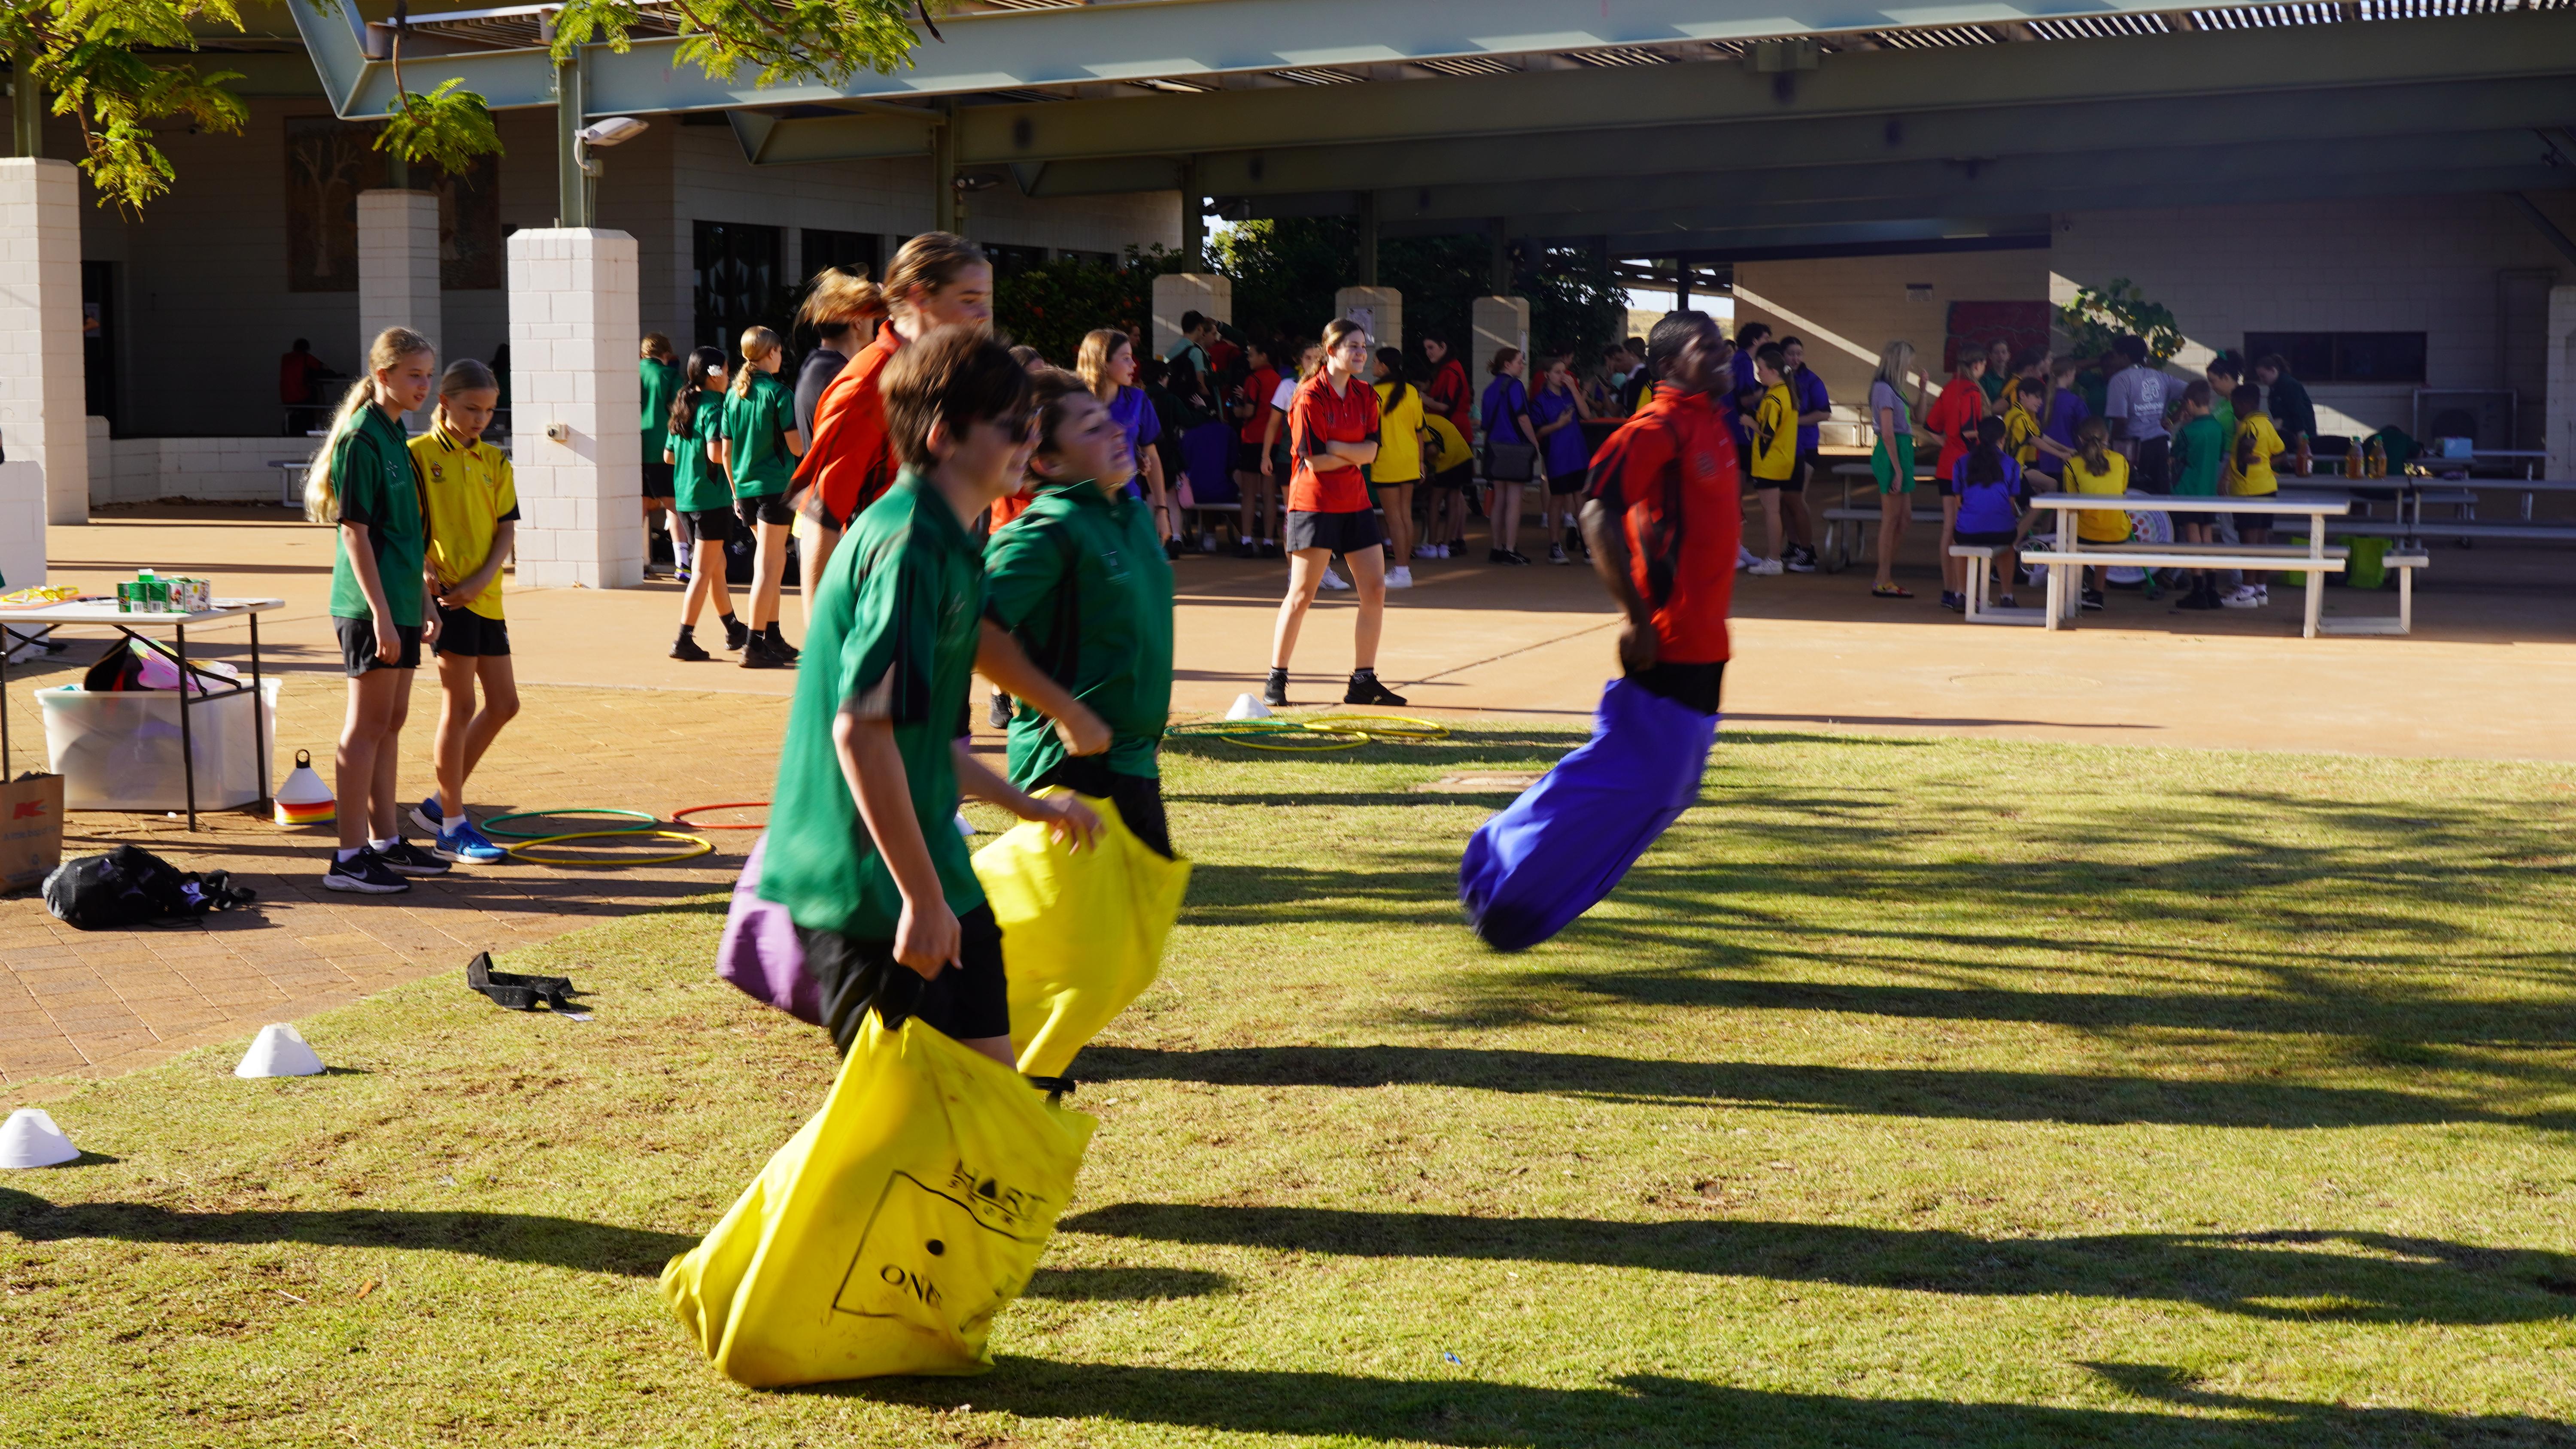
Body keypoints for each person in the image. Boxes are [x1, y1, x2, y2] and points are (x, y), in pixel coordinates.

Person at [759, 326, 1100, 1064]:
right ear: (945, 436)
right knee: (910, 1113)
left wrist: (1029, 806)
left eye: (1034, 424)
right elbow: (861, 732)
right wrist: (918, 897)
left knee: (988, 1091)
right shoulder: (910, 546)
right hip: (868, 887)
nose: (1030, 441)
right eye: (1013, 426)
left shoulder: (950, 539)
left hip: (930, 869)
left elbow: (925, 747)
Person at [980, 367, 1176, 858]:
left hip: (1132, 765)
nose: (1116, 431)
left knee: (1144, 905)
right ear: (1047, 461)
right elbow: (972, 632)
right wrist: (1067, 712)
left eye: (1107, 418)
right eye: (1090, 428)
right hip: (1070, 774)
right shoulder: (1046, 531)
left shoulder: (1131, 514)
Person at [309, 327, 447, 894]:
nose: (424, 385)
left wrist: (422, 600)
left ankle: (386, 841)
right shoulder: (361, 438)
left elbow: (407, 534)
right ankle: (347, 857)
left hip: (401, 603)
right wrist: (383, 616)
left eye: (429, 375)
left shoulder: (394, 432)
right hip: (369, 609)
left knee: (391, 722)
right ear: (383, 375)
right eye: (414, 375)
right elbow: (355, 534)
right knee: (365, 728)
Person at [796, 232, 994, 612]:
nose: (983, 314)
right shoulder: (866, 384)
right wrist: (823, 636)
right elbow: (821, 516)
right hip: (885, 604)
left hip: (946, 595)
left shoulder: (956, 370)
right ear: (920, 298)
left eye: (984, 300)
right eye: (969, 300)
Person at [1580, 309, 1743, 717]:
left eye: (1722, 344)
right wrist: (1638, 620)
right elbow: (1596, 514)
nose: (1723, 353)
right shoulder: (1656, 426)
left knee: (1681, 760)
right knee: (1640, 758)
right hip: (1668, 644)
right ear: (1670, 366)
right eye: (1707, 347)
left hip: (1708, 641)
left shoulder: (1714, 421)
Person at [406, 358, 520, 864]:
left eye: (490, 411)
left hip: (485, 597)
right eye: (472, 408)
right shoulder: (418, 455)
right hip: (449, 599)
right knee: (460, 705)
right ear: (444, 402)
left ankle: (438, 805)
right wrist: (426, 572)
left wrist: (483, 579)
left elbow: (506, 529)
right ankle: (452, 825)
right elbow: (407, 529)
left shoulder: (495, 460)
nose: (481, 419)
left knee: (505, 703)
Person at [1265, 318, 1405, 709]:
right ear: (1331, 352)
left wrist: (1337, 446)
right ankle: (1277, 677)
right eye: (1353, 347)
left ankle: (1363, 680)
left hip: (1355, 502)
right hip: (1314, 504)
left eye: (1364, 347)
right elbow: (1315, 461)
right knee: (1302, 594)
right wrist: (1351, 452)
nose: (1361, 353)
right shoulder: (1309, 395)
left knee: (1375, 589)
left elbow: (1371, 453)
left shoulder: (1366, 394)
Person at [717, 325, 805, 668]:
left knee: (772, 561)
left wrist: (735, 492)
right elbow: (797, 447)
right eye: (779, 351)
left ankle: (772, 637)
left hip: (745, 490)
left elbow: (726, 453)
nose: (782, 357)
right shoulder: (779, 394)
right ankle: (754, 645)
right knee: (769, 565)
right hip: (773, 488)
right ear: (771, 353)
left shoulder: (733, 396)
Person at [667, 346, 748, 661]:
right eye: (726, 371)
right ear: (714, 375)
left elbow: (669, 456)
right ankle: (684, 638)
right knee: (703, 570)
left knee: (716, 565)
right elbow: (716, 454)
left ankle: (733, 628)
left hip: (687, 499)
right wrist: (737, 458)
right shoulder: (715, 407)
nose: (729, 376)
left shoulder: (684, 406)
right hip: (711, 500)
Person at [1923, 352, 1990, 612]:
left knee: (1949, 529)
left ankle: (1950, 590)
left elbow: (1931, 427)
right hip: (1967, 467)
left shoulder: (1949, 388)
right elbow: (1969, 432)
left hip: (1947, 465)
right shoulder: (1972, 391)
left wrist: (1947, 444)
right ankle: (1964, 591)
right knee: (1966, 529)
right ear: (1978, 364)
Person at [793, 269, 885, 443]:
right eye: (871, 315)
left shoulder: (816, 366)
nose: (875, 321)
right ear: (858, 320)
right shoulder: (841, 376)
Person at [1951, 415, 2030, 609]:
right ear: (2003, 439)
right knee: (2007, 547)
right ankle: (2007, 596)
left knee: (1959, 541)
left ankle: (1961, 594)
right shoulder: (2012, 464)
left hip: (1967, 531)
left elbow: (1958, 501)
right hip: (2002, 531)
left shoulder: (1961, 463)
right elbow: (2011, 503)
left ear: (1978, 437)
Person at [2224, 382, 2288, 609]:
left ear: (2244, 404)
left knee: (2248, 540)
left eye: (2234, 405)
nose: (2233, 410)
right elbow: (2282, 453)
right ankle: (2261, 589)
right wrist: (2266, 464)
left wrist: (2246, 456)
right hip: (2268, 487)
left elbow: (2248, 443)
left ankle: (2246, 591)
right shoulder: (2267, 424)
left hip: (2248, 490)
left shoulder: (2249, 425)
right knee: (2262, 539)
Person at [2166, 381, 2228, 610]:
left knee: (2193, 536)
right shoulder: (2218, 428)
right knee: (2207, 536)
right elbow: (2220, 456)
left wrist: (2181, 425)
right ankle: (2212, 589)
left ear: (2190, 403)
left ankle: (2198, 589)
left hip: (2189, 489)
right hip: (2209, 489)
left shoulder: (2187, 431)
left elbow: (2175, 455)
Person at [1866, 341, 1920, 599]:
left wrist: (1923, 391)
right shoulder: (1883, 389)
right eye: (1908, 362)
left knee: (1904, 518)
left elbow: (1918, 419)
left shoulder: (1896, 390)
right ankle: (1883, 579)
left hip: (1902, 450)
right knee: (1891, 519)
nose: (1910, 367)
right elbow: (1887, 433)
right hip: (1892, 453)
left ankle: (1883, 576)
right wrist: (1897, 470)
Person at [2061, 415, 2131, 612]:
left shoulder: (2072, 464)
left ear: (2080, 439)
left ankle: (2076, 588)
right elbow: (2122, 491)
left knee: (2071, 532)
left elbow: (2071, 504)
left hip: (2085, 533)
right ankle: (2097, 592)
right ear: (2107, 437)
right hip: (2118, 531)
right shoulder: (2121, 461)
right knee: (2105, 528)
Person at [1529, 354, 1593, 564]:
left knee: (1580, 499)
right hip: (1557, 456)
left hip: (1578, 454)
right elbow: (1538, 431)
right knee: (1557, 500)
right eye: (1557, 373)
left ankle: (1588, 546)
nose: (1562, 376)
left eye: (1564, 372)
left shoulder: (1569, 394)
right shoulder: (1540, 401)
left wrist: (1575, 389)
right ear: (1547, 375)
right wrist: (1559, 424)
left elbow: (1587, 415)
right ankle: (1555, 547)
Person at [1370, 346, 1426, 588]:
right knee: (1405, 516)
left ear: (1384, 367)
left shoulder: (1374, 393)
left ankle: (1402, 571)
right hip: (1409, 459)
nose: (1373, 366)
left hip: (1386, 460)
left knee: (1394, 518)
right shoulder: (1412, 391)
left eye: (1376, 362)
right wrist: (1421, 462)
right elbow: (1419, 430)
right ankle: (1405, 570)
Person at [1480, 348, 1540, 565]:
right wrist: (1535, 443)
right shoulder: (1515, 386)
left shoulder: (1489, 389)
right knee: (1514, 501)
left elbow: (1486, 424)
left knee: (1499, 499)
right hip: (1515, 448)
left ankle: (1497, 548)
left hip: (1495, 448)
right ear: (1507, 364)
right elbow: (1523, 418)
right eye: (1519, 362)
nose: (1522, 366)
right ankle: (1511, 549)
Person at [1744, 344, 1797, 576]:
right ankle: (1774, 557)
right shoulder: (1787, 391)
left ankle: (1774, 559)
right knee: (1775, 510)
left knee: (1772, 512)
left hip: (1769, 462)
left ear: (1774, 371)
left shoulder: (1773, 397)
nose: (1759, 373)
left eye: (1761, 369)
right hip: (1784, 459)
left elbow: (1767, 432)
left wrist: (1749, 422)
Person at [1776, 336, 1827, 572]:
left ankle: (1807, 549)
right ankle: (1794, 544)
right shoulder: (1778, 379)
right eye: (1791, 354)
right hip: (1783, 447)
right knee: (1784, 501)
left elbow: (1824, 413)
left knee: (1796, 499)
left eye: (1799, 353)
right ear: (1782, 356)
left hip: (1805, 447)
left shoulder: (1812, 380)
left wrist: (1793, 421)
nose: (1796, 358)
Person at [1231, 337, 1284, 558]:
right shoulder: (1280, 381)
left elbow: (1249, 411)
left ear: (1264, 356)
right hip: (1275, 441)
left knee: (1249, 494)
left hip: (1253, 440)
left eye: (1252, 354)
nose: (1249, 359)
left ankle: (1246, 540)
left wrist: (1237, 410)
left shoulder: (1253, 380)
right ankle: (1269, 542)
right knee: (1269, 494)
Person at [2102, 334, 2172, 494]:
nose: (2113, 360)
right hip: (2160, 445)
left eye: (2115, 356)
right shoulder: (2160, 376)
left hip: (2133, 448)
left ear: (2125, 357)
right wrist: (2172, 418)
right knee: (2161, 495)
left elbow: (2120, 420)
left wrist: (2112, 446)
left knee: (2134, 493)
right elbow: (2191, 391)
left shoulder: (2120, 379)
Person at [640, 335, 684, 577]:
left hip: (635, 446)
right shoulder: (670, 376)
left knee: (640, 505)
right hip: (663, 448)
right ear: (667, 354)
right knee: (673, 505)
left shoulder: (630, 373)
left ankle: (634, 561)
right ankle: (682, 563)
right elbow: (681, 411)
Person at [1419, 408, 1472, 561]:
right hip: (1465, 457)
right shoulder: (1433, 419)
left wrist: (1419, 461)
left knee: (1434, 503)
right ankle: (1445, 548)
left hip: (1448, 460)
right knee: (1453, 503)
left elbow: (1432, 450)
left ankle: (1431, 547)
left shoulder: (1421, 423)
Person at [2254, 353, 2317, 470]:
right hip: (2288, 432)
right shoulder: (2274, 389)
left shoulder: (2289, 385)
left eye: (2263, 376)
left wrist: (2301, 436)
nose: (2262, 380)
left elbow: (2298, 412)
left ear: (2273, 371)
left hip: (2299, 433)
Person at [2033, 355, 2088, 481]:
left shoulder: (2040, 400)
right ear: (2069, 374)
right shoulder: (2076, 402)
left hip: (2044, 460)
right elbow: (2087, 431)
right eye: (2074, 375)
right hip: (2069, 458)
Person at [1419, 333, 1473, 458]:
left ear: (1443, 346)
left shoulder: (1450, 371)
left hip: (1453, 431)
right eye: (1426, 349)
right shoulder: (1450, 368)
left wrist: (1422, 397)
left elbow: (1444, 406)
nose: (1428, 353)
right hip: (1453, 430)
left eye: (1431, 348)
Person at [279, 338, 330, 434]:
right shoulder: (306, 357)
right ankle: (318, 425)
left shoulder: (285, 358)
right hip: (300, 397)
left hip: (285, 397)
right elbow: (325, 367)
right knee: (318, 392)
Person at [1979, 337, 2013, 405]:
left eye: (2004, 352)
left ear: (2009, 355)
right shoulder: (1985, 380)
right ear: (1990, 356)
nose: (2000, 356)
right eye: (1996, 353)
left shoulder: (2013, 377)